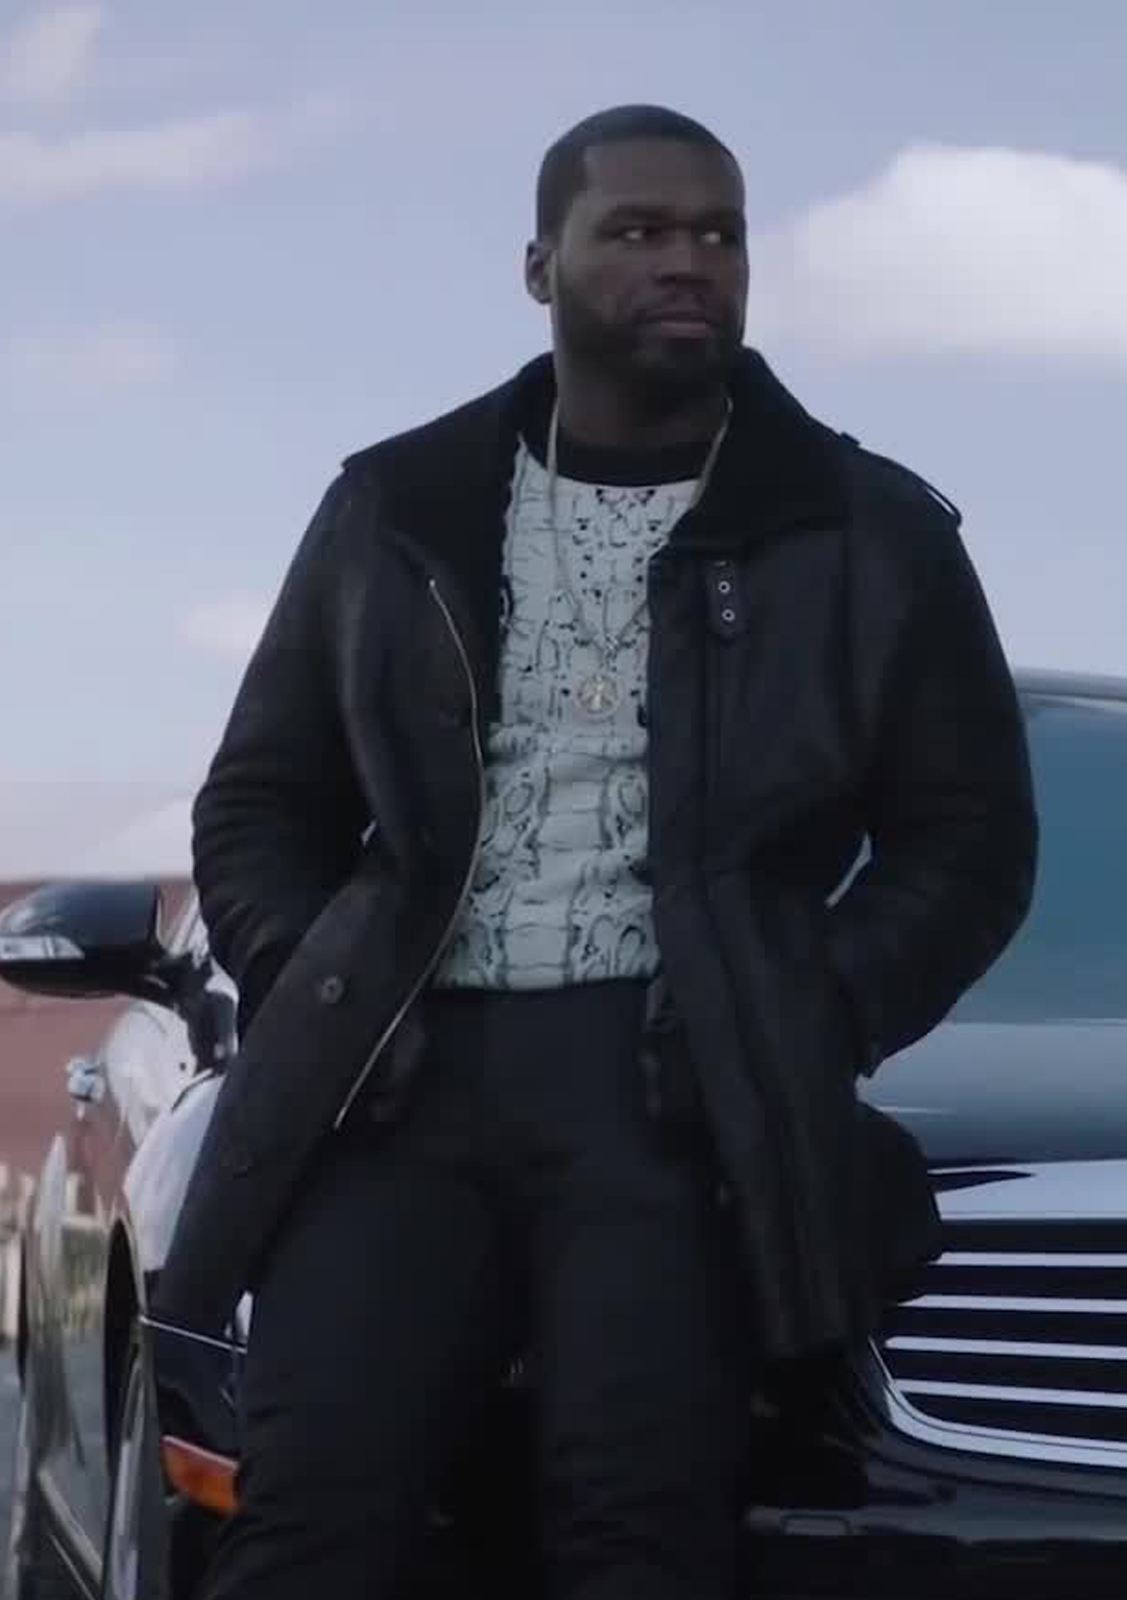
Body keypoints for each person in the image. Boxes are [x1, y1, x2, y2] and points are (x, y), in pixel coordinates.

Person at [163, 103, 1038, 1600]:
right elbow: (256, 804)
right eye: (637, 230)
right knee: (309, 1524)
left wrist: (801, 1014)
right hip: (400, 1079)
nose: (687, 260)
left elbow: (970, 841)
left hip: (674, 1090)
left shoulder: (868, 530)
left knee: (636, 1536)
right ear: (540, 267)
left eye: (719, 233)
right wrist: (322, 992)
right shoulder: (397, 505)